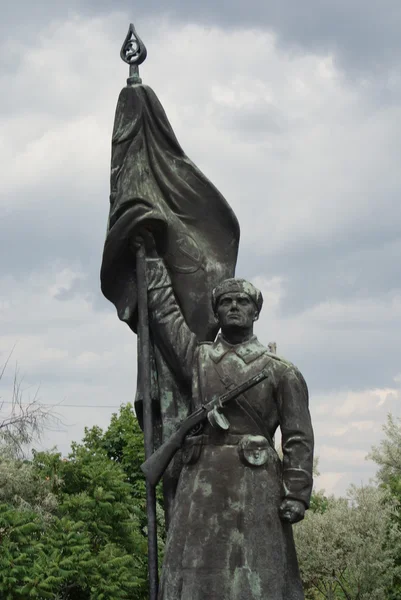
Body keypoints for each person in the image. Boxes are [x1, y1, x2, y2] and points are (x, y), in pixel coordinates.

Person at [141, 234, 314, 600]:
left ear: (255, 312)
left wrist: (296, 494)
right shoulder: (199, 358)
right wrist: (153, 261)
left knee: (259, 575)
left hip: (255, 485)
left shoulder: (280, 371)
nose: (235, 307)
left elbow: (298, 437)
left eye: (243, 302)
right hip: (201, 484)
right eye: (227, 302)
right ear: (217, 313)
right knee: (197, 575)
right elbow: (167, 317)